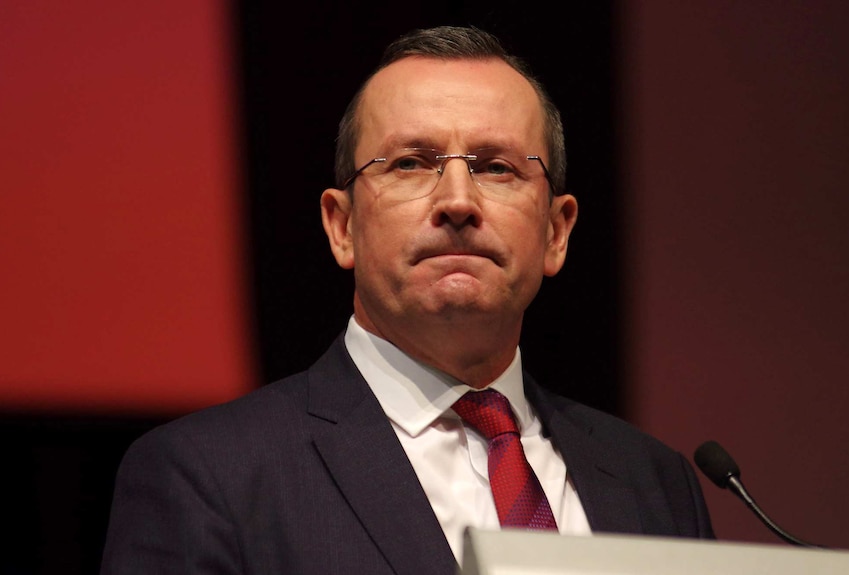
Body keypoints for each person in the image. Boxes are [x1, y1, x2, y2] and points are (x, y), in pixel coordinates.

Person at [100, 25, 714, 574]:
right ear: (342, 226)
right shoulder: (208, 475)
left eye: (496, 167)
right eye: (411, 164)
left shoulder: (655, 484)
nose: (457, 201)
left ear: (556, 232)